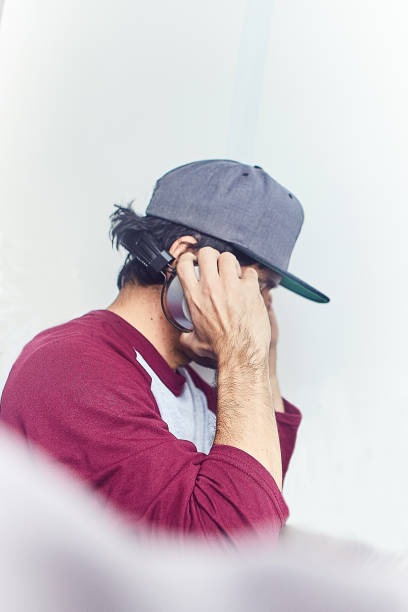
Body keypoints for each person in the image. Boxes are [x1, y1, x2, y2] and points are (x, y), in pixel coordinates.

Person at [0, 159, 329, 543]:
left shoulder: (190, 384)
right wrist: (243, 351)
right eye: (258, 288)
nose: (261, 311)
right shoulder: (71, 369)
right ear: (187, 258)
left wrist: (263, 360)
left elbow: (261, 492)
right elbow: (231, 553)